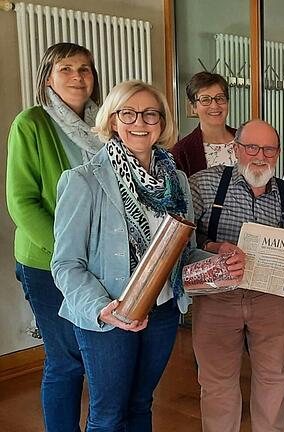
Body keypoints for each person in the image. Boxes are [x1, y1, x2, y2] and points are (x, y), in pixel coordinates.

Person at [51, 80, 245, 431]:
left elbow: (182, 255)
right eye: (128, 113)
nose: (139, 122)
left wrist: (217, 264)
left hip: (164, 312)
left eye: (150, 114)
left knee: (141, 404)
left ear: (161, 122)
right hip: (110, 314)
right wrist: (100, 308)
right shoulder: (83, 180)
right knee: (108, 416)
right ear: (113, 120)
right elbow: (66, 264)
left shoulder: (178, 182)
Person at [189, 119, 284, 432]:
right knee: (217, 383)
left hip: (270, 301)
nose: (260, 156)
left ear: (278, 153)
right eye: (251, 147)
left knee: (274, 377)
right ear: (235, 148)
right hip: (216, 298)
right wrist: (214, 247)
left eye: (269, 149)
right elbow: (183, 241)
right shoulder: (204, 184)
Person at [6, 42, 102, 432]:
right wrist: (69, 252)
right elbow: (22, 202)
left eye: (85, 69)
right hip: (48, 264)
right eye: (66, 69)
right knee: (66, 362)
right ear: (48, 76)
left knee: (95, 358)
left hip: (97, 264)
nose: (77, 77)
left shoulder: (104, 125)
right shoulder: (31, 123)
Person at [172, 71, 237, 177]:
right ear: (193, 107)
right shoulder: (182, 151)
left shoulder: (246, 140)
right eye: (205, 100)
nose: (214, 106)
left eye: (220, 98)